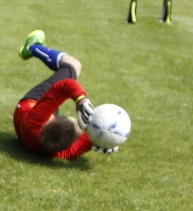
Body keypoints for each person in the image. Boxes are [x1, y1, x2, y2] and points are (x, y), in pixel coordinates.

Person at [14, 30, 118, 158]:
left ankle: (33, 47)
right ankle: (33, 47)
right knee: (75, 66)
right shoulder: (56, 151)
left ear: (52, 121)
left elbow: (65, 85)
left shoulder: (35, 121)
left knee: (73, 65)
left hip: (32, 103)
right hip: (31, 130)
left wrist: (81, 100)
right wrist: (100, 140)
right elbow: (77, 149)